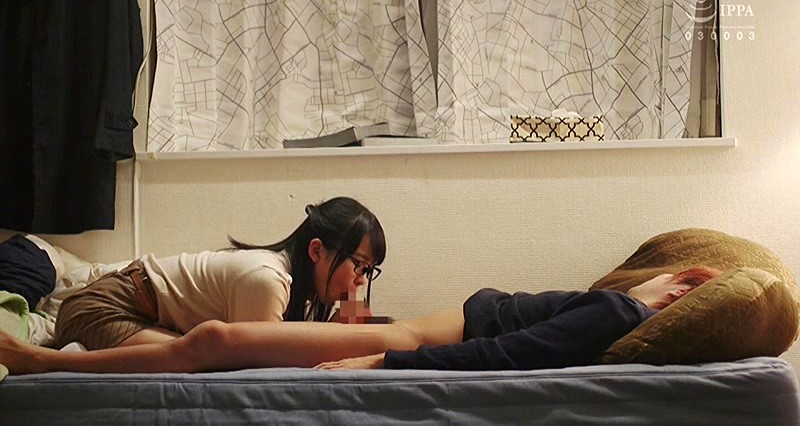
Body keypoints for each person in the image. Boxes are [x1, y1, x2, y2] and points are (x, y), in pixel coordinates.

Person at [0, 266, 720, 375]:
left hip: (408, 342)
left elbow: (512, 354)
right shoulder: (619, 307)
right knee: (213, 341)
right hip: (411, 331)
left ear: (683, 288)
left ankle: (42, 363)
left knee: (214, 342)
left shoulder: (621, 308)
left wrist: (384, 360)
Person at [52, 196, 386, 351]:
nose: (361, 280)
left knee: (197, 351)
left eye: (369, 271)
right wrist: (337, 337)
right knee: (193, 357)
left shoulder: (294, 287)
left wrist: (343, 328)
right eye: (358, 265)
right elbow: (263, 366)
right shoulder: (268, 280)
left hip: (138, 310)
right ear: (316, 251)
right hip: (99, 310)